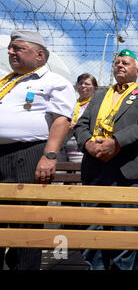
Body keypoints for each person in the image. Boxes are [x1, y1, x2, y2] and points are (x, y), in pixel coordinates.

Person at [74, 49, 138, 270]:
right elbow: (82, 125)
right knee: (93, 226)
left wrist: (117, 141)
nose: (119, 65)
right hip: (95, 168)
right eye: (117, 62)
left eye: (126, 63)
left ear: (137, 71)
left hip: (129, 171)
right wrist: (88, 145)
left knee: (127, 228)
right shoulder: (100, 95)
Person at [0, 30, 76, 270]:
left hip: (28, 154)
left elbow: (61, 120)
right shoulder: (6, 81)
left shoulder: (54, 81)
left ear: (40, 55)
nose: (10, 52)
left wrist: (49, 155)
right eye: (11, 48)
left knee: (26, 220)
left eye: (18, 48)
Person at [64, 73, 98, 163]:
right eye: (80, 83)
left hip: (84, 145)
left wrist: (77, 125)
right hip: (66, 143)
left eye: (87, 84)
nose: (83, 86)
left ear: (95, 88)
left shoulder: (97, 106)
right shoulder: (71, 104)